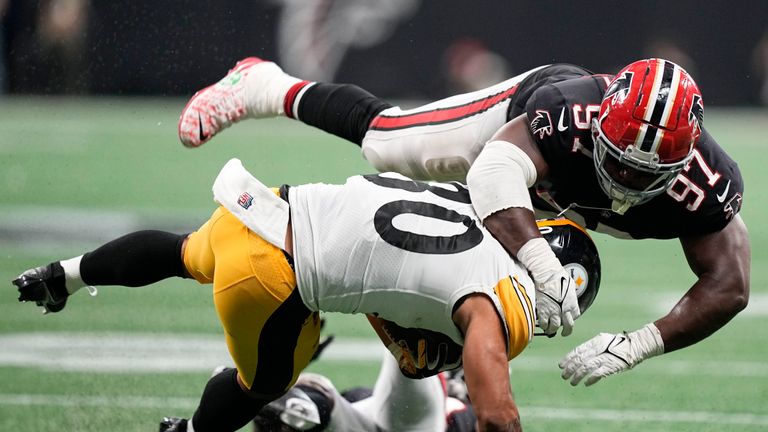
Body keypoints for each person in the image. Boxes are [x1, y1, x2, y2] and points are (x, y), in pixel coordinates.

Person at [177, 56, 750, 386]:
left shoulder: (707, 184)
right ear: (601, 122)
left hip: (556, 202)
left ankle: (440, 385)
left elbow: (729, 285)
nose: (623, 182)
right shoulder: (565, 113)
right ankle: (262, 84)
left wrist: (640, 343)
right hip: (515, 143)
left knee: (490, 299)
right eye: (618, 162)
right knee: (389, 144)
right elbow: (494, 177)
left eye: (641, 175)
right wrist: (540, 262)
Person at [11, 159, 601, 432]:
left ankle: (64, 275)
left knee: (183, 252)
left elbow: (390, 265)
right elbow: (497, 414)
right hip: (278, 282)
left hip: (265, 207)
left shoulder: (471, 202)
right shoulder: (501, 296)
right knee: (264, 385)